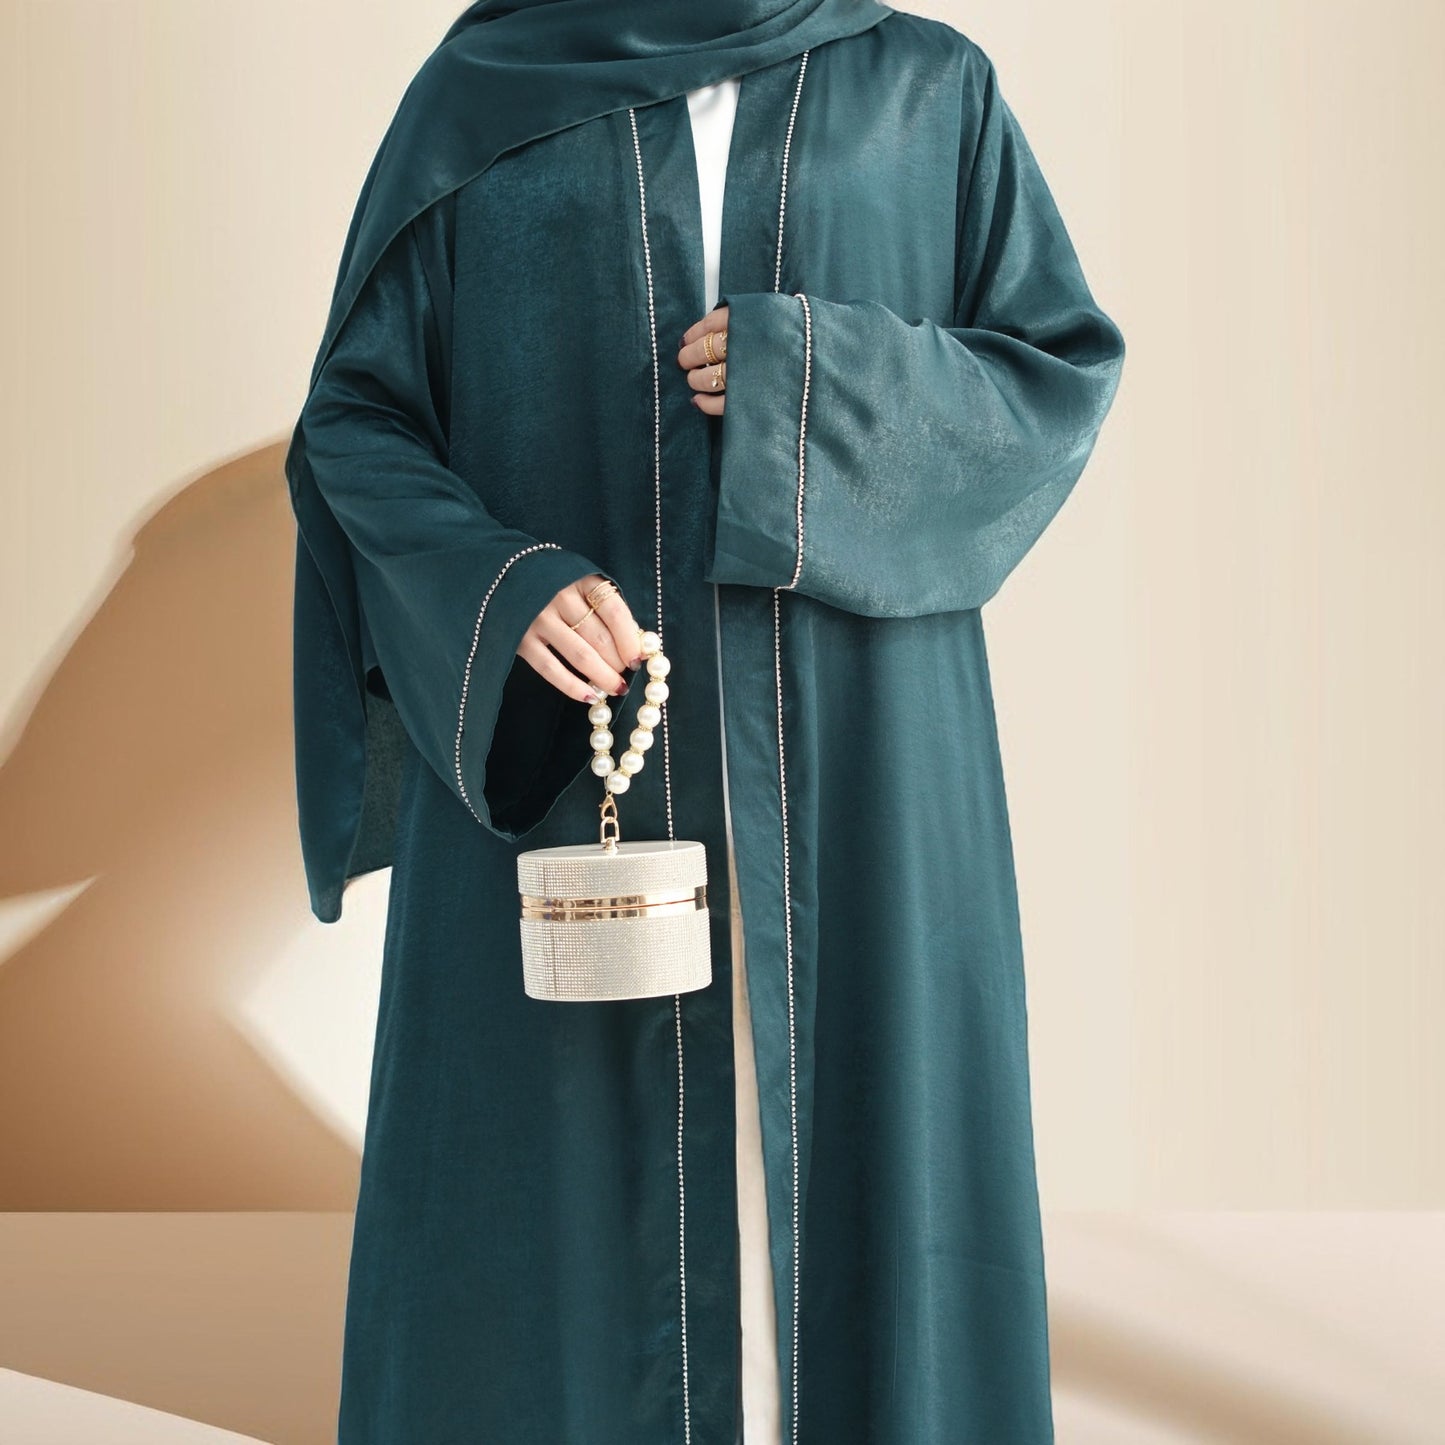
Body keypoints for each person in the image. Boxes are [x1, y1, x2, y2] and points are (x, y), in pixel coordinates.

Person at [284, 1, 1126, 1441]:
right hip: (582, 741)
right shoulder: (481, 93)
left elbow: (1053, 378)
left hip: (864, 754)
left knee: (858, 1099)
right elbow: (356, 417)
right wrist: (500, 587)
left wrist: (822, 387)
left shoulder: (925, 88)